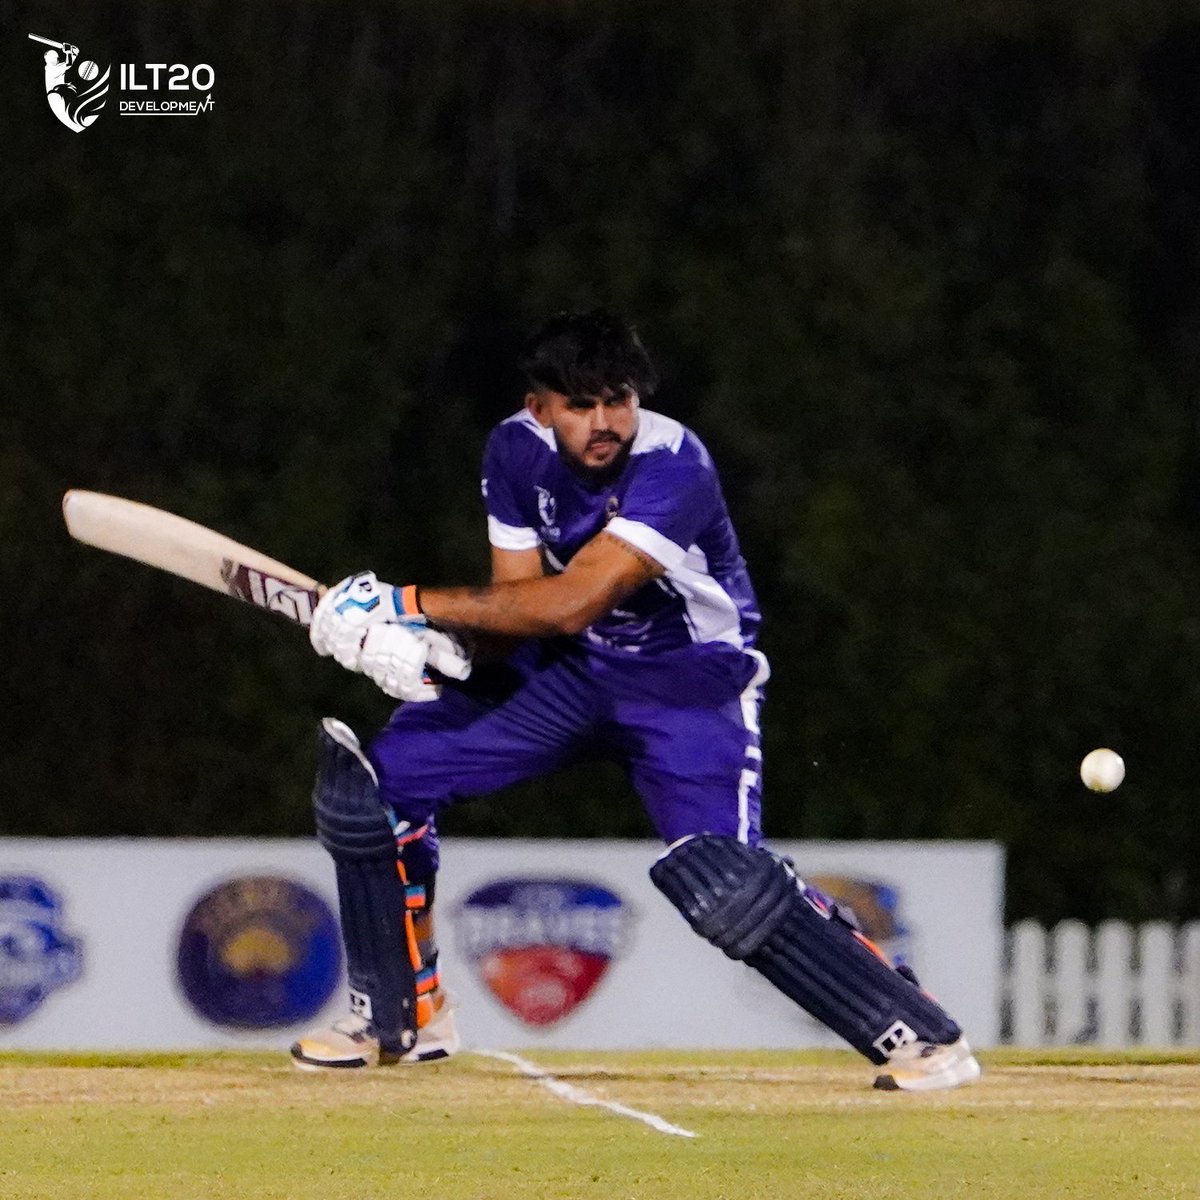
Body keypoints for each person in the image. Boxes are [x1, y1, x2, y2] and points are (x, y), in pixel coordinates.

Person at [290, 309, 981, 1091]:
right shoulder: (513, 450)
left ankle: (919, 1031)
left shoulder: (673, 463)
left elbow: (571, 601)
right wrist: (431, 653)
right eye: (580, 406)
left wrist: (405, 602)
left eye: (617, 399)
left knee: (725, 885)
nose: (605, 422)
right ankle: (401, 1013)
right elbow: (520, 611)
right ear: (538, 406)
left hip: (689, 683)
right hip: (572, 672)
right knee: (379, 784)